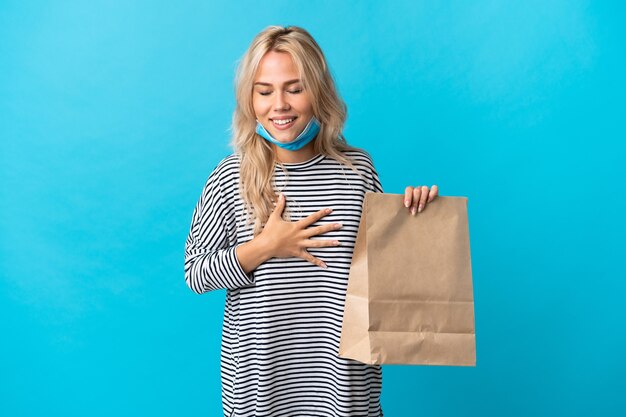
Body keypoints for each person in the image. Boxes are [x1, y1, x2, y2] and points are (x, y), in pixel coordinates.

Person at [184, 25, 438, 417]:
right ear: (249, 99)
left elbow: (383, 275)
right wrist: (266, 246)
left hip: (344, 385)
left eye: (294, 88)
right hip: (261, 389)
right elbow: (196, 273)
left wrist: (414, 220)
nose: (279, 104)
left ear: (318, 92)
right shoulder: (230, 176)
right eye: (264, 91)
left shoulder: (357, 169)